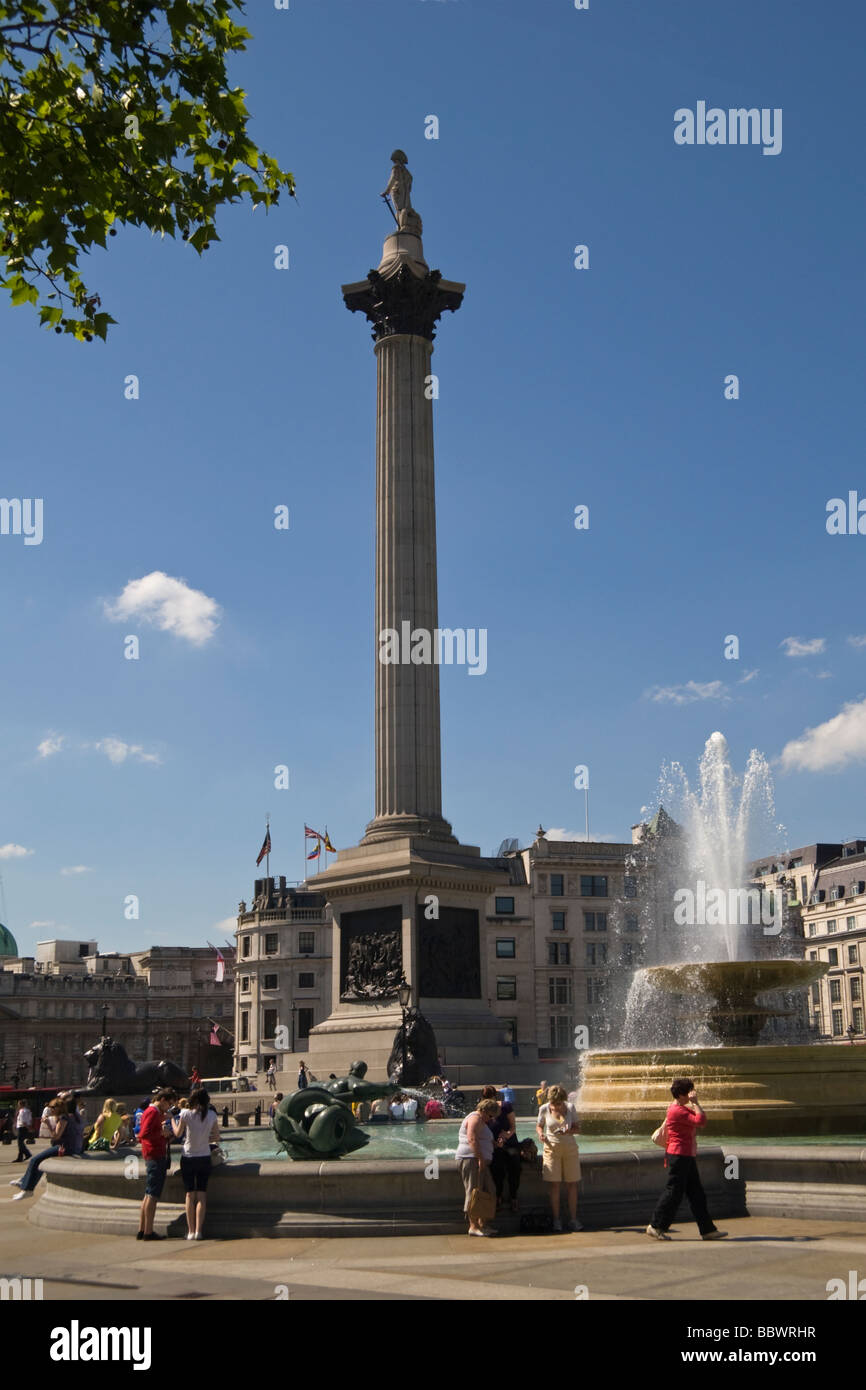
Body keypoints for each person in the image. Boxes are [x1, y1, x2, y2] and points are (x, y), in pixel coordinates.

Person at [647, 1079, 728, 1242]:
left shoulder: (681, 1108)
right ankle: (656, 1226)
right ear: (681, 1094)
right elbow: (701, 1121)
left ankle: (707, 1230)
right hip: (679, 1156)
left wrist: (694, 1104)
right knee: (673, 1193)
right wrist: (696, 1103)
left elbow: (699, 1118)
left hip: (686, 1156)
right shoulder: (677, 1110)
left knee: (696, 1193)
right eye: (690, 1091)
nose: (693, 1094)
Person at [11, 1096, 85, 1199]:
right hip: (74, 1147)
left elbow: (56, 1136)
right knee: (40, 1161)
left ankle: (27, 1190)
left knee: (35, 1160)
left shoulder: (64, 1118)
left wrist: (48, 1124)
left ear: (60, 1108)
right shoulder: (76, 1117)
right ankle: (24, 1181)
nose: (50, 1109)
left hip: (64, 1148)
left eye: (53, 1107)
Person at [172, 1087, 220, 1240]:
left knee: (189, 1195)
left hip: (188, 1157)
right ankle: (199, 1231)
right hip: (204, 1157)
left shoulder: (185, 1114)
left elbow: (178, 1134)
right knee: (201, 1195)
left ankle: (191, 1231)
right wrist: (205, 1136)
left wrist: (172, 1121)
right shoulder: (212, 1115)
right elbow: (217, 1137)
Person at [536, 1084, 582, 1233]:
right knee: (554, 1185)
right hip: (551, 1149)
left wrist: (569, 1130)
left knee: (572, 1184)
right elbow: (539, 1125)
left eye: (558, 1103)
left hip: (569, 1149)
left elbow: (578, 1128)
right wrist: (540, 1134)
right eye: (553, 1103)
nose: (555, 1106)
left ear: (563, 1100)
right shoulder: (544, 1108)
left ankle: (573, 1219)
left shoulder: (570, 1108)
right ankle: (557, 1220)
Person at [455, 1098, 500, 1236]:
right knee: (473, 1191)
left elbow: (482, 1139)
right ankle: (473, 1226)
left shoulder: (482, 1120)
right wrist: (480, 1158)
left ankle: (482, 1224)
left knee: (489, 1190)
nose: (491, 1119)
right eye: (491, 1116)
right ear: (484, 1110)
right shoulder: (475, 1118)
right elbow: (472, 1139)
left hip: (479, 1160)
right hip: (470, 1159)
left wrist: (496, 1144)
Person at [136, 1088, 174, 1241]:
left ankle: (142, 1229)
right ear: (163, 1100)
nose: (169, 1107)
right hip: (155, 1155)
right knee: (153, 1194)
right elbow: (143, 1134)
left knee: (148, 1194)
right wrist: (162, 1133)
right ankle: (148, 1232)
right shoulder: (153, 1112)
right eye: (169, 1104)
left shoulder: (152, 1112)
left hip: (151, 1154)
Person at [487, 1086, 521, 1212]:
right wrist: (494, 1142)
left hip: (510, 1144)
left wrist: (506, 1136)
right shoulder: (484, 1110)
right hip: (494, 1146)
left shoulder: (506, 1106)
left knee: (515, 1168)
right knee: (497, 1170)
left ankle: (514, 1198)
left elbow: (513, 1127)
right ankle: (498, 1196)